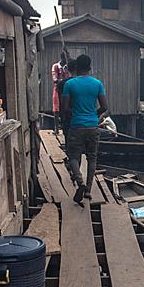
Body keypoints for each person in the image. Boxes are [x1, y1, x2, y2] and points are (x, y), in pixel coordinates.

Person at [60, 54, 109, 204]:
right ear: (89, 67)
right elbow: (105, 108)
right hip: (93, 126)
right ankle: (88, 190)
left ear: (77, 67)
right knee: (92, 157)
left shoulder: (70, 84)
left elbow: (65, 107)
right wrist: (94, 116)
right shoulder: (97, 84)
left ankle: (80, 182)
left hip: (77, 125)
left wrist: (73, 114)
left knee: (73, 156)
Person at [51, 52, 69, 132]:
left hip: (66, 90)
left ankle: (64, 126)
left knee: (66, 108)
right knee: (56, 109)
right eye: (66, 59)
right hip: (57, 90)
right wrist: (62, 81)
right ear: (62, 59)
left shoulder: (67, 67)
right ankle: (56, 128)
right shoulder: (55, 66)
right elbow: (55, 79)